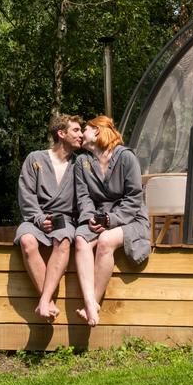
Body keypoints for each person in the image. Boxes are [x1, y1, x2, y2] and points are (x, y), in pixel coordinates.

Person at [72, 114, 150, 326]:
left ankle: (91, 305)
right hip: (98, 217)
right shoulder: (82, 162)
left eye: (85, 130)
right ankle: (90, 302)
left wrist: (111, 219)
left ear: (96, 130)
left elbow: (134, 197)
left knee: (106, 240)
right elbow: (83, 197)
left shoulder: (126, 157)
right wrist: (89, 217)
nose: (81, 135)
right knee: (80, 240)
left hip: (130, 218)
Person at [15, 114, 82, 319]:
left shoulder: (80, 164)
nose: (81, 135)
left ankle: (43, 301)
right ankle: (49, 301)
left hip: (65, 220)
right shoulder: (35, 159)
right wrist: (38, 219)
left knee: (62, 241)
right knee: (27, 241)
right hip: (36, 218)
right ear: (61, 134)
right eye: (76, 130)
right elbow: (26, 194)